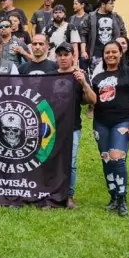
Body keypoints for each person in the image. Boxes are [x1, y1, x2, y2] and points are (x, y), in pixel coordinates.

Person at [91, 41, 129, 216]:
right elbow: (92, 100)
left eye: (114, 52)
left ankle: (122, 198)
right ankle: (113, 197)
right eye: (107, 52)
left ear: (121, 53)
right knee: (106, 159)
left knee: (117, 157)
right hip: (101, 122)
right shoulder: (98, 77)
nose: (110, 55)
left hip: (123, 121)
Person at [55, 44, 96, 209]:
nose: (63, 58)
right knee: (51, 161)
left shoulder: (80, 75)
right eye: (60, 55)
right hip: (51, 126)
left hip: (72, 126)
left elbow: (93, 100)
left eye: (66, 54)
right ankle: (50, 194)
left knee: (70, 163)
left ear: (73, 56)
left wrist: (84, 83)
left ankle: (69, 196)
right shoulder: (50, 75)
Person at [82, 0, 127, 76]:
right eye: (111, 3)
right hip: (96, 55)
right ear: (103, 4)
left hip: (113, 54)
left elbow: (123, 34)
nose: (113, 5)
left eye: (113, 3)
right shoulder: (90, 17)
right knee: (96, 78)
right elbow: (83, 35)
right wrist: (83, 51)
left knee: (114, 77)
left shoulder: (116, 17)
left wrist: (122, 49)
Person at [70, 0, 92, 69]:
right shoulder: (72, 18)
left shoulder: (89, 17)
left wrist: (84, 51)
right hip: (73, 49)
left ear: (82, 5)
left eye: (76, 4)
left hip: (85, 50)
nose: (74, 6)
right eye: (73, 4)